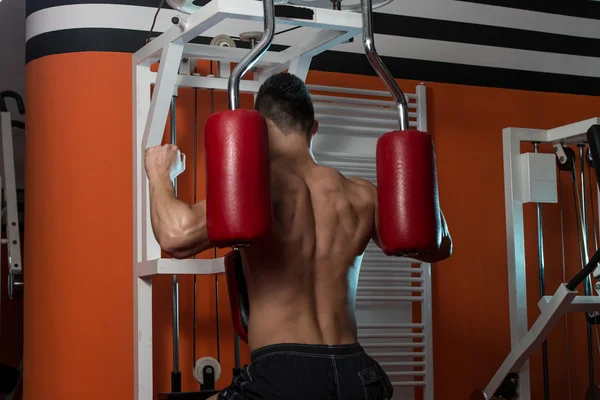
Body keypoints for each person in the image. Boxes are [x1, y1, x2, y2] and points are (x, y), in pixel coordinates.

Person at [145, 72, 452, 400]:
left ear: (260, 128)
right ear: (313, 128)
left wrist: (161, 173)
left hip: (286, 374)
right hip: (356, 372)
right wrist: (413, 178)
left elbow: (175, 236)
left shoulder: (259, 191)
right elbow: (439, 244)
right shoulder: (362, 195)